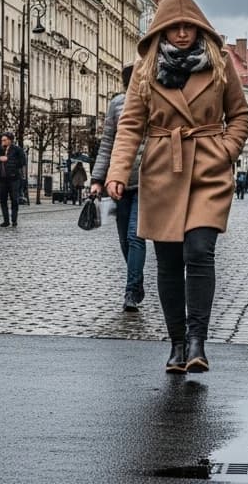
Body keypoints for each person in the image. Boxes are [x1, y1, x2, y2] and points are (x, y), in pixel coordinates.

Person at [105, 0, 248, 373]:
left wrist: (225, 150)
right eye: (175, 27)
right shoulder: (145, 68)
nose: (183, 33)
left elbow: (240, 115)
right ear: (162, 30)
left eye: (189, 26)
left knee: (199, 251)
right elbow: (130, 125)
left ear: (200, 27)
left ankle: (198, 340)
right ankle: (176, 344)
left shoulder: (218, 63)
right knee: (168, 260)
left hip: (208, 168)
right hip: (162, 170)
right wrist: (118, 172)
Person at [91, 63, 147, 312]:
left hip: (147, 180)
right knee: (124, 238)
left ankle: (131, 291)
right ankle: (136, 280)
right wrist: (97, 178)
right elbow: (107, 144)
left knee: (136, 235)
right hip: (120, 180)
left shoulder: (154, 102)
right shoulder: (117, 105)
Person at [0, 133, 26, 227]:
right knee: (2, 199)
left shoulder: (17, 150)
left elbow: (22, 162)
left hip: (14, 178)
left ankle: (14, 220)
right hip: (2, 178)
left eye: (4, 140)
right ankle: (6, 220)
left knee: (14, 199)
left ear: (10, 140)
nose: (2, 142)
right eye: (2, 140)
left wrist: (7, 159)